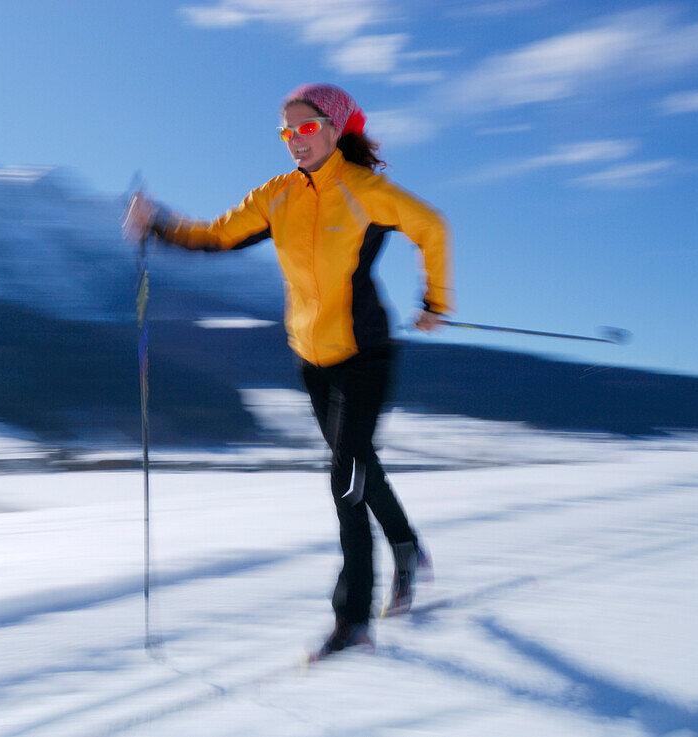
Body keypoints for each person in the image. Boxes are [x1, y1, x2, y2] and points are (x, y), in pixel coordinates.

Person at [123, 83, 453, 658]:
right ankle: (405, 546)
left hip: (364, 355)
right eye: (286, 131)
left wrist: (435, 302)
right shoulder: (276, 196)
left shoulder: (364, 190)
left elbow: (432, 227)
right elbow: (216, 236)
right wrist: (159, 225)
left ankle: (352, 621)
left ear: (335, 128)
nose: (294, 141)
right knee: (357, 466)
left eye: (305, 128)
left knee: (343, 482)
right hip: (312, 360)